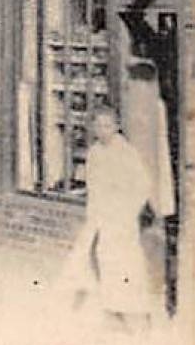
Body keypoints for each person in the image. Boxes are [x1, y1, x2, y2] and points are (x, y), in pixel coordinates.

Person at [59, 107, 160, 327]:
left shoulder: (126, 152)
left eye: (107, 126)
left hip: (121, 217)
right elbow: (93, 186)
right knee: (105, 259)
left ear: (116, 127)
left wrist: (128, 210)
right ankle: (112, 308)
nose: (102, 131)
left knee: (127, 262)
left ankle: (136, 312)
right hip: (101, 215)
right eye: (98, 126)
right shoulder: (95, 152)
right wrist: (93, 213)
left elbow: (142, 185)